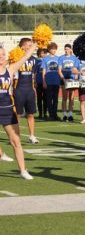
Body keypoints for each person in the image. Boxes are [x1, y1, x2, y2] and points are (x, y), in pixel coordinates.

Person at [0, 43, 37, 179]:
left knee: (16, 141)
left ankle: (23, 170)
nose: (2, 57)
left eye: (3, 54)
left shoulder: (10, 70)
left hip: (8, 110)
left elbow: (25, 56)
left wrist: (36, 43)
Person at [13, 38, 38, 143]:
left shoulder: (34, 60)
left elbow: (33, 76)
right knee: (17, 114)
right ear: (22, 46)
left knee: (31, 114)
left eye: (31, 44)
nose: (29, 46)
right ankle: (15, 136)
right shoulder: (16, 58)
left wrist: (33, 88)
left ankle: (32, 135)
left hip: (29, 90)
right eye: (27, 45)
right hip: (18, 89)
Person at [58, 44, 80, 122]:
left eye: (67, 49)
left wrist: (76, 78)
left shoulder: (75, 59)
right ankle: (64, 114)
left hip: (72, 80)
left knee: (71, 98)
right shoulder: (61, 58)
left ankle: (70, 114)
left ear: (71, 49)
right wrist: (63, 79)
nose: (66, 50)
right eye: (65, 49)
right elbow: (59, 70)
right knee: (64, 98)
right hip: (64, 79)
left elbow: (76, 70)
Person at [42, 43, 60, 120]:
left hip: (56, 81)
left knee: (55, 99)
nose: (54, 50)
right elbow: (43, 71)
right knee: (49, 99)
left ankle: (55, 114)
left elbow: (60, 70)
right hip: (48, 81)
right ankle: (51, 115)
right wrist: (44, 81)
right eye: (52, 49)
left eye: (55, 48)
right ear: (49, 50)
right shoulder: (45, 59)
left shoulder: (59, 58)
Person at [34, 49, 47, 119]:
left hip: (45, 82)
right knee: (39, 98)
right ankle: (40, 114)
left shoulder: (46, 60)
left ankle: (45, 113)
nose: (43, 54)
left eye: (44, 53)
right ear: (39, 53)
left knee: (45, 98)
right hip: (38, 82)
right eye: (42, 53)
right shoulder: (36, 61)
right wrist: (35, 81)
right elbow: (35, 72)